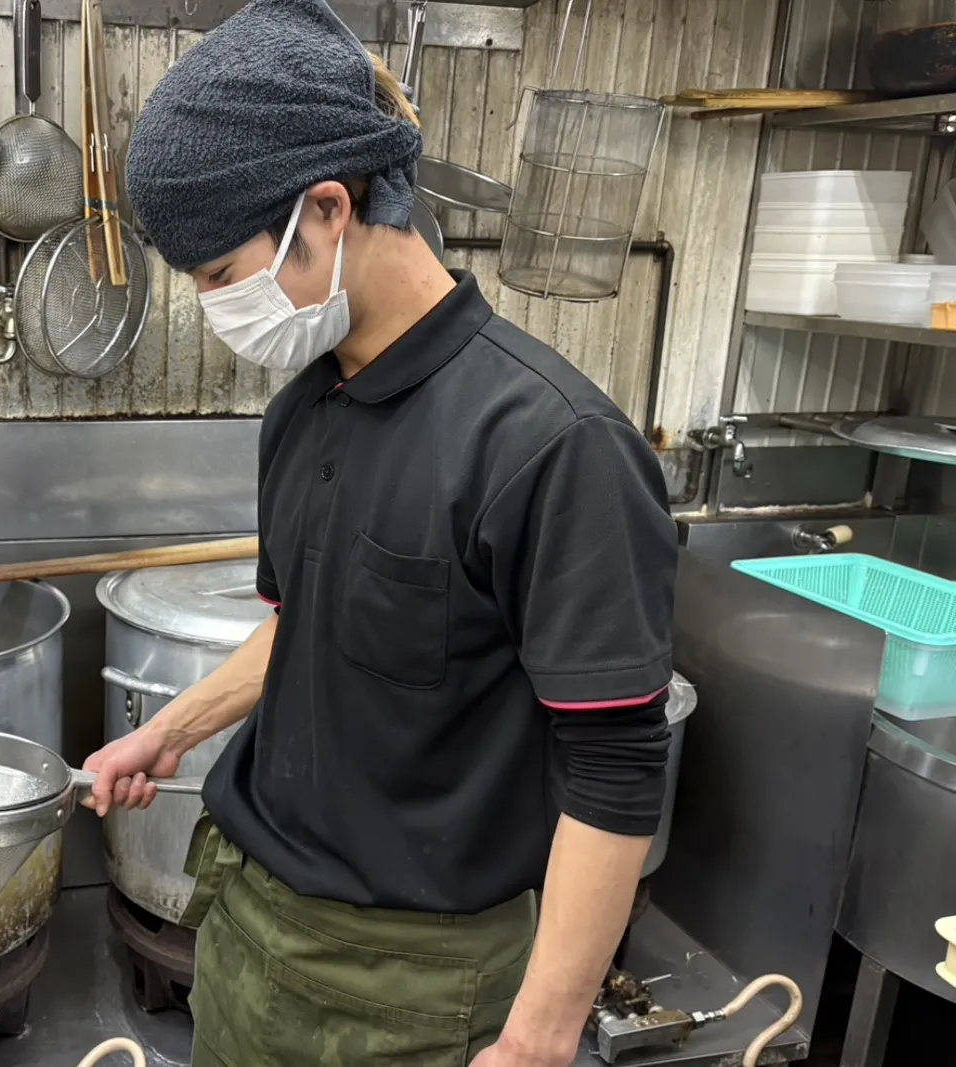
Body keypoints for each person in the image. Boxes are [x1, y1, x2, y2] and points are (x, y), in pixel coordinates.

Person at [81, 1, 680, 1064]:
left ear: (326, 206)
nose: (215, 307)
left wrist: (537, 1035)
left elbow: (615, 766)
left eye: (219, 275)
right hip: (249, 925)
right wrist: (169, 730)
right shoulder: (301, 410)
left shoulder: (553, 444)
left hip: (417, 986)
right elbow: (303, 631)